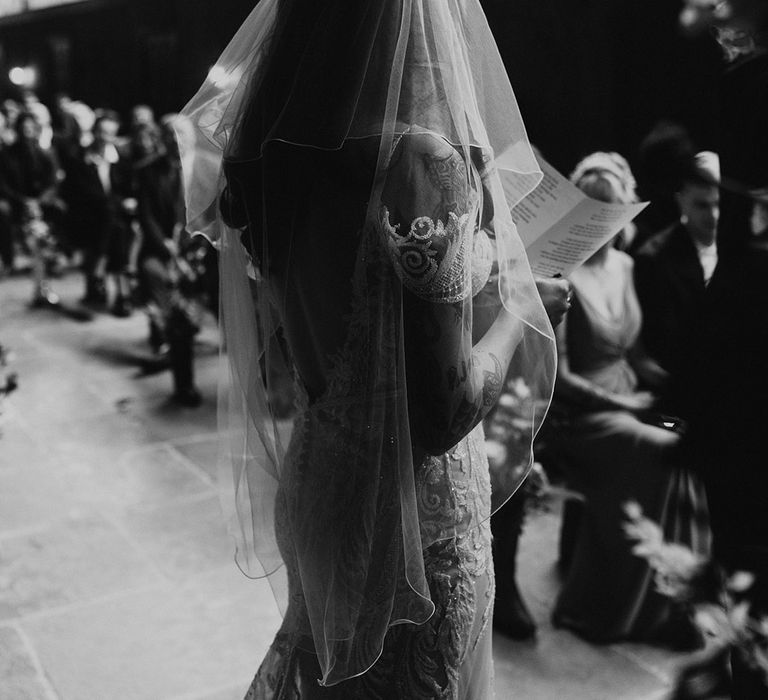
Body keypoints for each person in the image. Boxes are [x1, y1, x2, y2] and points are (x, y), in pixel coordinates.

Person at [180, 0, 565, 696]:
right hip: (414, 517)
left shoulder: (271, 150)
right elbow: (444, 413)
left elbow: (355, 322)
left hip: (320, 480)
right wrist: (518, 316)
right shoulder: (417, 160)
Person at [550, 156, 710, 647]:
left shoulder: (626, 264)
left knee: (693, 439)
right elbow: (561, 377)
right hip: (582, 414)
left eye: (613, 208)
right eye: (594, 207)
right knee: (658, 449)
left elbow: (637, 356)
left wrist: (690, 391)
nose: (604, 218)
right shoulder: (562, 276)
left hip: (630, 393)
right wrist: (627, 408)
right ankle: (615, 608)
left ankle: (677, 600)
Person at [633, 151, 720, 412]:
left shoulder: (740, 247)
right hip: (687, 388)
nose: (714, 215)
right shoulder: (654, 258)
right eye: (702, 205)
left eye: (719, 205)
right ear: (681, 203)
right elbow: (665, 342)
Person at [135, 115, 202, 407]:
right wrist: (167, 248)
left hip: (198, 254)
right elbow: (146, 216)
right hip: (161, 250)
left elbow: (208, 215)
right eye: (171, 138)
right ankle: (183, 384)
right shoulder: (148, 171)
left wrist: (194, 250)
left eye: (182, 137)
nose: (177, 144)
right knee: (177, 315)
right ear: (162, 141)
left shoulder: (202, 170)